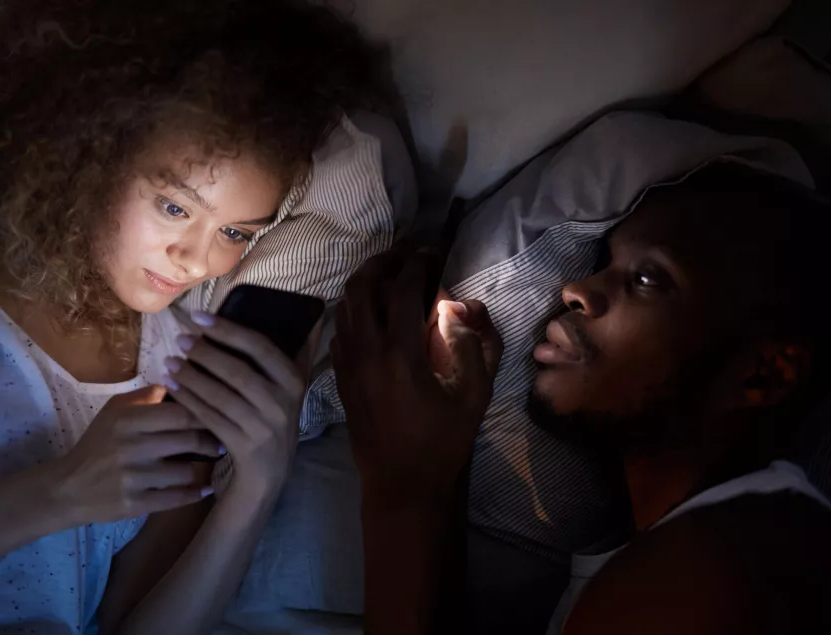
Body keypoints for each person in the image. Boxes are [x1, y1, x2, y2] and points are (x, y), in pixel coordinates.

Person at [0, 0, 388, 632]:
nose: (197, 260)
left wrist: (254, 488)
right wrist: (63, 492)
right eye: (175, 208)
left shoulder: (181, 369)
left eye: (235, 231)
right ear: (90, 153)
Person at [332, 163, 831, 634]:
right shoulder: (701, 546)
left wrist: (401, 486)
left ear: (762, 374)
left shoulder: (728, 575)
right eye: (605, 263)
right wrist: (432, 472)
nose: (577, 290)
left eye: (647, 279)